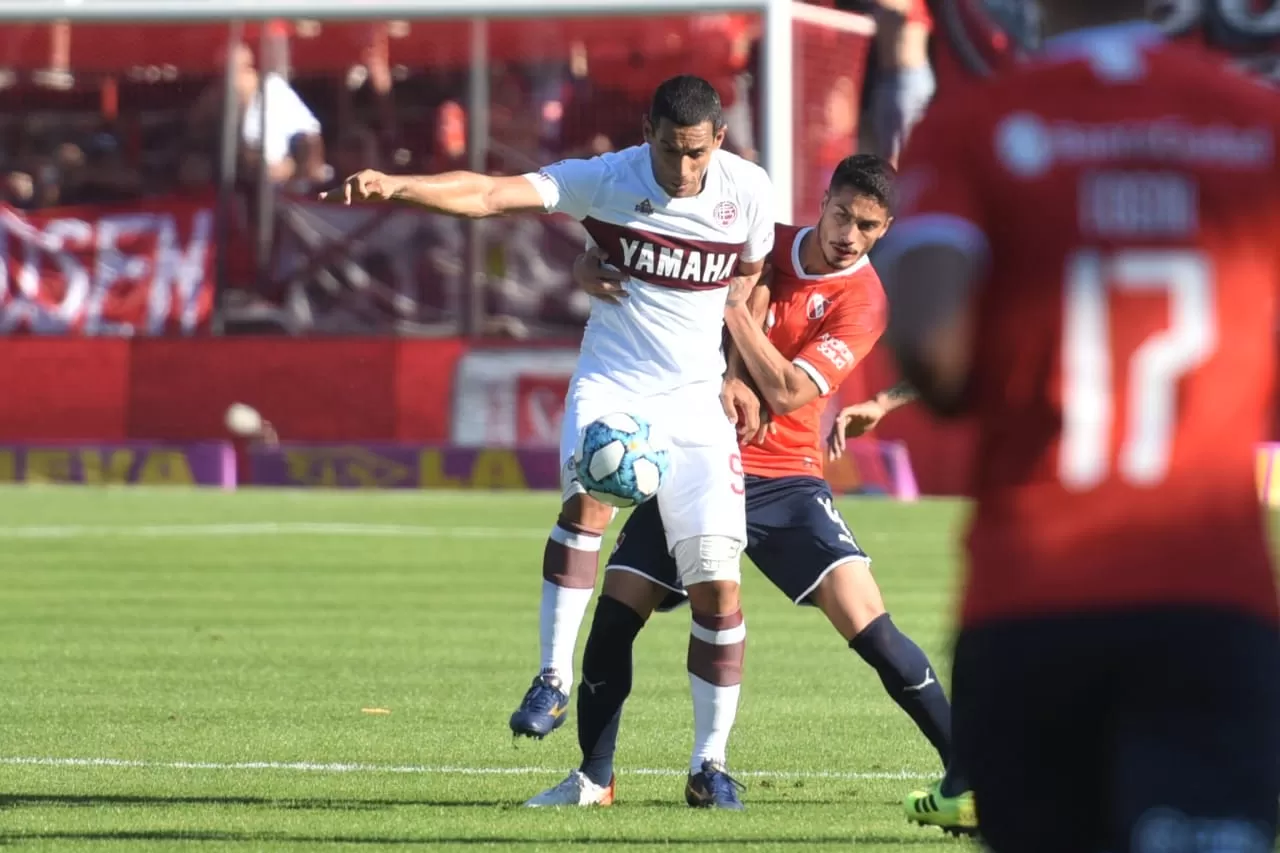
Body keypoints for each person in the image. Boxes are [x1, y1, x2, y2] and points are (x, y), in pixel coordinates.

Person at [875, 1, 1280, 850]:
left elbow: (933, 353)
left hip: (1033, 600)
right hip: (1210, 601)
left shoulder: (976, 124)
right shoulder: (1255, 125)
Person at [323, 75, 774, 802]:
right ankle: (552, 676)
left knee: (719, 589)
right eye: (668, 149)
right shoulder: (608, 178)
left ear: (718, 139)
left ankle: (709, 764)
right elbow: (491, 194)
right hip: (617, 383)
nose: (682, 169)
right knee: (590, 500)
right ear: (647, 131)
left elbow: (748, 278)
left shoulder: (749, 191)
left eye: (695, 153)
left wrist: (731, 369)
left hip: (696, 403)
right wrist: (396, 185)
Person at [526, 154, 973, 822]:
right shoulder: (762, 238)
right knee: (618, 610)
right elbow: (666, 267)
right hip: (700, 457)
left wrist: (735, 316)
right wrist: (588, 266)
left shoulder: (865, 299)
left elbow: (791, 388)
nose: (849, 233)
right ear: (824, 201)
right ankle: (595, 777)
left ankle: (969, 774)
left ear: (885, 230)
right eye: (843, 214)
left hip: (786, 479)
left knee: (872, 627)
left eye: (869, 225)